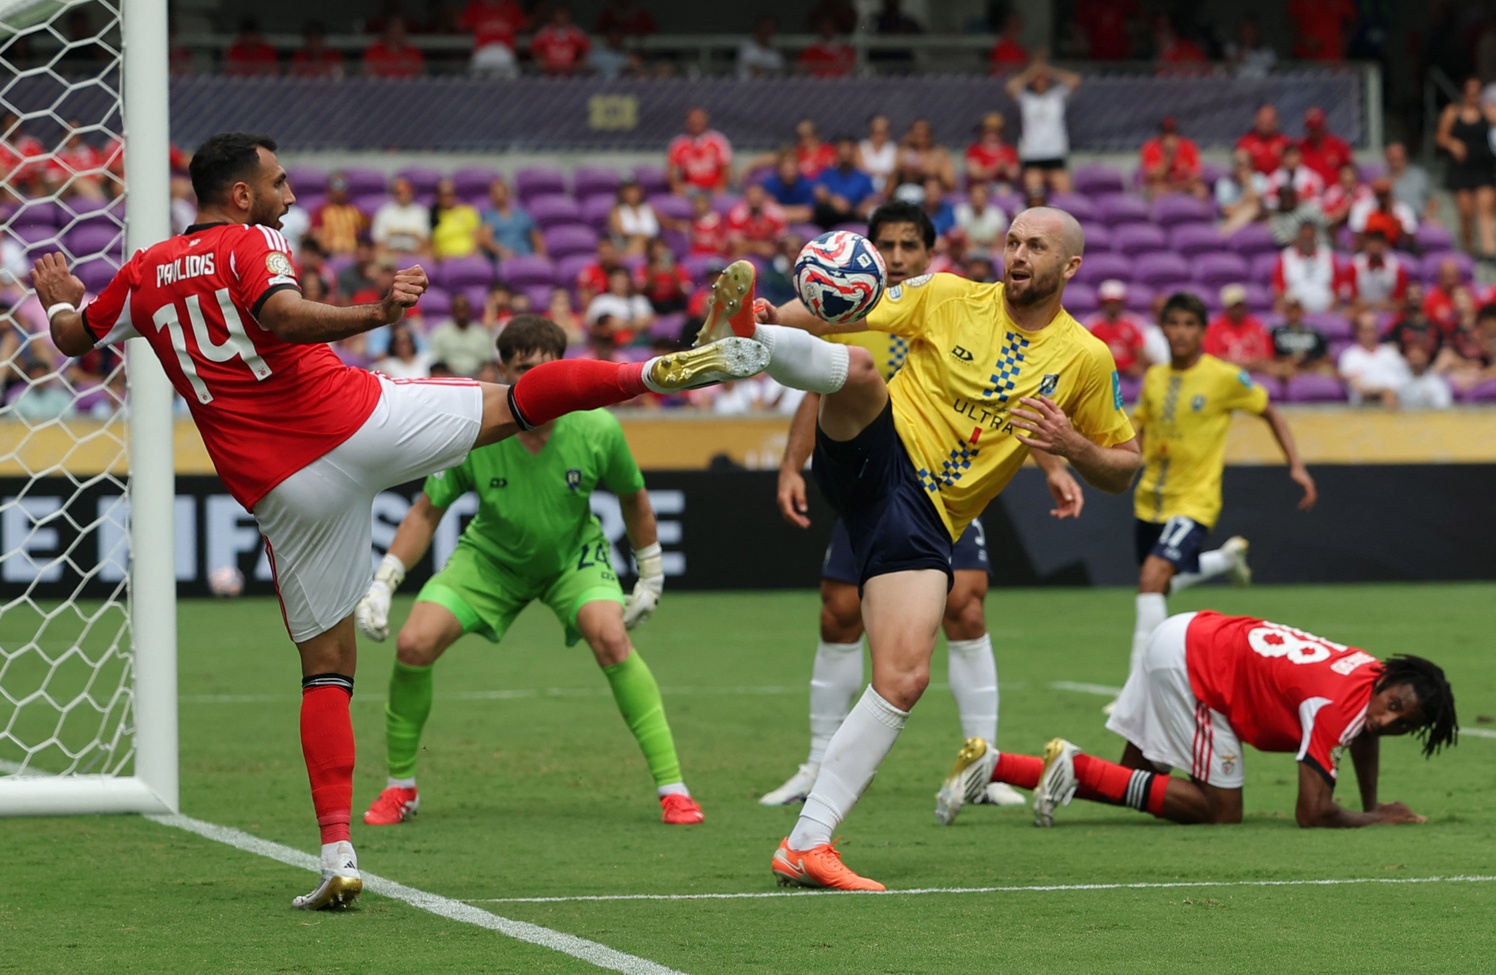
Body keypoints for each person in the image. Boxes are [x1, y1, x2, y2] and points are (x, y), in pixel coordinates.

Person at [29, 132, 769, 911]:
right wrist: (374, 310)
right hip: (352, 420)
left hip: (280, 485)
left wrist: (63, 300)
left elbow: (77, 340)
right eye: (278, 183)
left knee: (325, 671)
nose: (289, 197)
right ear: (241, 195)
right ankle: (666, 368)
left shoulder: (145, 273)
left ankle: (338, 856)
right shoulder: (253, 240)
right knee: (512, 402)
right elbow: (280, 316)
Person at [690, 203, 1140, 890]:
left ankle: (807, 843)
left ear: (1069, 266)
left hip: (927, 520)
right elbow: (846, 306)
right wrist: (771, 317)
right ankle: (744, 339)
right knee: (864, 368)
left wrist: (1072, 445)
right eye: (1012, 240)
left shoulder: (1085, 358)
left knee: (904, 677)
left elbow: (1123, 464)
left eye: (1036, 247)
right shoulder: (949, 294)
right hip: (879, 454)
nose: (1018, 255)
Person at [760, 200, 1086, 812]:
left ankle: (980, 759)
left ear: (928, 252)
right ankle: (816, 763)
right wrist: (790, 463)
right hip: (872, 464)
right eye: (887, 245)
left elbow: (1012, 403)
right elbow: (822, 385)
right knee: (837, 612)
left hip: (943, 491)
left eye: (909, 246)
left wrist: (1056, 465)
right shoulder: (854, 302)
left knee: (965, 605)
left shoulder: (942, 302)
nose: (898, 257)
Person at [355, 316, 704, 828]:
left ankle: (674, 789)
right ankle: (400, 788)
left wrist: (649, 575)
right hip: (490, 559)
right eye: (521, 371)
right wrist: (383, 582)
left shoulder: (597, 427)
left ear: (562, 370)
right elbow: (426, 511)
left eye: (543, 371)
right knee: (413, 644)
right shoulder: (472, 428)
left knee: (610, 637)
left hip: (572, 559)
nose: (533, 382)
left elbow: (634, 498)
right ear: (502, 369)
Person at [938, 612, 1456, 829]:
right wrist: (1376, 817)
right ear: (1388, 682)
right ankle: (1070, 767)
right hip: (1197, 669)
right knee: (1221, 810)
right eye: (1392, 706)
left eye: (1402, 723)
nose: (1386, 721)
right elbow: (1312, 813)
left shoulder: (1366, 673)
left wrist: (1370, 799)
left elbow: (1363, 734)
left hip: (1189, 632)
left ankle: (997, 765)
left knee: (1136, 780)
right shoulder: (1339, 707)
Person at [1088, 290, 1314, 716]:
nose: (1180, 332)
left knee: (1152, 579)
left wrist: (1297, 466)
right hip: (1151, 498)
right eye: (1173, 324)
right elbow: (1139, 433)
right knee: (1161, 584)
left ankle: (1137, 692)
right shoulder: (1154, 378)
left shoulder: (1225, 377)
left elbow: (1271, 412)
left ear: (1203, 332)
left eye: (1189, 325)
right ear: (1163, 329)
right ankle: (1226, 561)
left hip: (1196, 500)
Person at [1436, 78, 1496, 257]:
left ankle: (1489, 250)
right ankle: (1468, 248)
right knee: (1466, 212)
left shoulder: (1486, 111)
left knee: (1485, 208)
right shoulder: (1453, 112)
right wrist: (1453, 144)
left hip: (1483, 167)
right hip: (1461, 169)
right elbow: (1440, 137)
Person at [1006, 54, 1081, 196]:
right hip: (1032, 153)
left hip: (1055, 152)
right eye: (1037, 79)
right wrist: (1033, 71)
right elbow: (1011, 87)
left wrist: (1048, 70)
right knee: (1035, 194)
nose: (1040, 81)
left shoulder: (1056, 96)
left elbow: (1075, 80)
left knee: (1065, 192)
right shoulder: (1027, 99)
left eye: (1043, 78)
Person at [1338, 311, 1408, 407]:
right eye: (1365, 330)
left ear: (1378, 330)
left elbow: (1405, 380)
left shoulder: (1391, 353)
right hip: (1365, 407)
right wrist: (1384, 391)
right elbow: (1358, 388)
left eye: (1372, 329)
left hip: (1395, 401)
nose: (1369, 334)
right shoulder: (1350, 356)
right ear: (1357, 332)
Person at [1085, 280, 1148, 379]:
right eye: (1109, 303)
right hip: (1103, 374)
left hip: (1129, 375)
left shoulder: (1133, 323)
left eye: (1116, 302)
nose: (1113, 306)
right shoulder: (1092, 325)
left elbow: (1139, 351)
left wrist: (1139, 367)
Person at [1272, 221, 1338, 313]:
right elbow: (1279, 289)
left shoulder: (1327, 256)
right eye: (1304, 238)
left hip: (1325, 311)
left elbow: (1337, 289)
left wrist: (1329, 311)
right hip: (1295, 312)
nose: (1307, 241)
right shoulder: (1286, 257)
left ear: (1315, 237)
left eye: (1310, 238)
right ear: (1299, 237)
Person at [1205, 284, 1274, 370]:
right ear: (1226, 307)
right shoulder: (1214, 328)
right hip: (1224, 374)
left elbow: (1266, 357)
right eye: (1234, 306)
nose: (1237, 310)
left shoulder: (1257, 327)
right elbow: (1213, 358)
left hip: (1255, 373)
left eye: (1240, 306)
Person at [667, 107, 733, 195]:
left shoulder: (718, 141)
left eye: (700, 119)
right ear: (687, 123)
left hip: (713, 188)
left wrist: (719, 189)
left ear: (706, 121)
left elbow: (726, 170)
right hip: (690, 189)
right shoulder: (678, 144)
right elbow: (672, 172)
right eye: (693, 119)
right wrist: (678, 188)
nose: (697, 122)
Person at [1339, 229, 1408, 312]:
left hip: (1387, 310)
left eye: (1379, 243)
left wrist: (1389, 306)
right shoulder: (1355, 265)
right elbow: (1352, 297)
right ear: (1366, 245)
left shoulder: (1395, 268)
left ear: (1385, 245)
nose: (1375, 247)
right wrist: (1370, 305)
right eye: (1372, 243)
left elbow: (1400, 300)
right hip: (1362, 310)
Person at [1139, 116, 1205, 200]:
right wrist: (1168, 156)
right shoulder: (1150, 148)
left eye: (1172, 133)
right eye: (1166, 134)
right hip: (1161, 185)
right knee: (1158, 190)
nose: (1169, 138)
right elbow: (1153, 176)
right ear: (1160, 135)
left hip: (1184, 184)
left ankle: (1198, 213)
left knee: (1200, 190)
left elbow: (1196, 175)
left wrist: (1181, 183)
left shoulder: (1188, 146)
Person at [427, 293, 493, 376]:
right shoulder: (440, 333)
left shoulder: (482, 333)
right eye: (458, 309)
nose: (461, 313)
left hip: (476, 376)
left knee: (489, 373)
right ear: (452, 311)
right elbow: (437, 362)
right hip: (449, 375)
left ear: (470, 310)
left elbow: (486, 362)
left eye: (464, 309)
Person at [586, 265, 655, 345]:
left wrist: (622, 324)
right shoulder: (600, 301)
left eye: (622, 280)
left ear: (628, 282)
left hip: (637, 342)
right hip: (609, 344)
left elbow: (646, 322)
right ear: (610, 281)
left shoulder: (639, 300)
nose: (619, 284)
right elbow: (592, 325)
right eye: (616, 280)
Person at [1266, 295, 1332, 378]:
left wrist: (1311, 362)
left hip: (1311, 366)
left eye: (1296, 309)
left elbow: (1326, 357)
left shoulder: (1313, 332)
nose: (1293, 312)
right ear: (1285, 311)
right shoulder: (1276, 332)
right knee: (1278, 370)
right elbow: (1269, 357)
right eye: (1289, 309)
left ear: (1301, 310)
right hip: (1287, 367)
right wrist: (1287, 360)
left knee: (1328, 370)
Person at [479, 178, 543, 261]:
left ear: (508, 194)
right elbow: (486, 240)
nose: (499, 196)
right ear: (491, 196)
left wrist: (541, 254)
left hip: (525, 255)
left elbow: (535, 236)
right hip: (503, 258)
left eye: (502, 193)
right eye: (495, 193)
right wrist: (502, 251)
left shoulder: (522, 215)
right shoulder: (489, 216)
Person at [458, 0, 526, 76]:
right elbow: (461, 27)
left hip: (505, 53)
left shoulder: (511, 6)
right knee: (476, 83)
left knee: (512, 84)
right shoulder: (475, 6)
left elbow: (524, 27)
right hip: (482, 53)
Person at [371, 176, 432, 261]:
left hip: (415, 253)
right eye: (399, 192)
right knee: (377, 253)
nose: (403, 195)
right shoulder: (384, 212)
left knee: (429, 252)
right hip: (390, 253)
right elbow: (379, 241)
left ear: (411, 192)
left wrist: (410, 256)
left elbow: (424, 240)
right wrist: (395, 255)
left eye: (406, 191)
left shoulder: (421, 212)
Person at [311, 174, 367, 257]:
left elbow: (365, 232)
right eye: (336, 188)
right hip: (329, 255)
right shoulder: (321, 211)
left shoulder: (355, 211)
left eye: (343, 188)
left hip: (353, 255)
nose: (340, 192)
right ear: (329, 190)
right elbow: (316, 235)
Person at [726, 183, 787, 259]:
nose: (755, 198)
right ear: (746, 197)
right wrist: (757, 247)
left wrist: (770, 248)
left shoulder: (775, 213)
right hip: (746, 252)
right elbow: (735, 244)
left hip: (770, 252)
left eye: (758, 195)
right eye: (752, 195)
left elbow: (781, 241)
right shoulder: (737, 214)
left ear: (764, 197)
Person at [1384, 142, 1438, 226]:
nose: (1395, 159)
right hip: (1396, 222)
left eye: (1398, 156)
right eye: (1392, 157)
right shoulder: (1381, 179)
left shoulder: (1419, 175)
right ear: (1387, 158)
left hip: (1421, 220)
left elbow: (1432, 200)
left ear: (1405, 157)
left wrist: (1429, 215)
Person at [1296, 107, 1354, 186]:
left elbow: (1350, 171)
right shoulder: (1299, 148)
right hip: (1309, 194)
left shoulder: (1338, 145)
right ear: (1307, 128)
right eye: (1312, 128)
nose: (1315, 131)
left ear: (1324, 125)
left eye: (1318, 126)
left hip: (1334, 193)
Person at [964, 112, 1020, 189]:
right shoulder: (974, 150)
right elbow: (975, 174)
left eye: (996, 132)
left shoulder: (1009, 150)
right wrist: (995, 169)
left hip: (1002, 188)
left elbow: (1014, 174)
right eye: (989, 132)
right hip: (980, 187)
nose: (992, 135)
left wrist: (1005, 168)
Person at [429, 179, 482, 260]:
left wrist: (472, 254)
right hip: (446, 259)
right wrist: (439, 258)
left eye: (450, 194)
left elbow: (477, 237)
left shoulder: (467, 211)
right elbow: (431, 245)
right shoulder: (433, 217)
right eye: (443, 194)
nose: (447, 198)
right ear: (438, 197)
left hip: (469, 256)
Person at [530, 5, 590, 76]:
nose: (561, 21)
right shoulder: (545, 32)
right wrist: (540, 62)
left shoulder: (575, 32)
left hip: (571, 71)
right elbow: (534, 48)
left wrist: (580, 63)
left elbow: (586, 48)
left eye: (563, 19)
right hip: (549, 71)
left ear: (568, 19)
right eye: (558, 19)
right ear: (553, 19)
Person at [608, 177, 661, 257]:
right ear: (622, 193)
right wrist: (640, 236)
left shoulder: (648, 208)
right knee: (639, 241)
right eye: (628, 191)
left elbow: (665, 222)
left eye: (634, 190)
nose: (632, 194)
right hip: (627, 244)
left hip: (652, 243)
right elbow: (620, 232)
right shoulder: (617, 211)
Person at [1237, 103, 1290, 176]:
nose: (1267, 122)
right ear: (1256, 120)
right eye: (1264, 119)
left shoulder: (1284, 142)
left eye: (1270, 120)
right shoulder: (1245, 143)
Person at [952, 182, 1008, 252]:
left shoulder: (996, 214)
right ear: (970, 198)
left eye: (980, 198)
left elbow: (998, 242)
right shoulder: (961, 212)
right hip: (968, 251)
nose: (978, 201)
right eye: (975, 198)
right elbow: (963, 237)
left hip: (991, 252)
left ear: (986, 198)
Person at [1397, 343, 1454, 409]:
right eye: (1412, 358)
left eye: (1418, 358)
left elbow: (1443, 406)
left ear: (1426, 357)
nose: (1415, 362)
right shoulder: (1398, 379)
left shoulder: (1436, 381)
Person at [857, 114, 898, 194]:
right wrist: (881, 174)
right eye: (876, 132)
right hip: (865, 188)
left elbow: (894, 172)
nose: (879, 136)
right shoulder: (862, 147)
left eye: (883, 132)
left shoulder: (894, 149)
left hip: (887, 189)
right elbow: (859, 169)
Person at [737, 15, 785, 79]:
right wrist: (770, 72)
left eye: (770, 28)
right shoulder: (747, 47)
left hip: (770, 87)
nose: (767, 31)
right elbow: (754, 69)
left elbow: (780, 74)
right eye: (765, 27)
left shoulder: (775, 54)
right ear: (758, 28)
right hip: (746, 86)